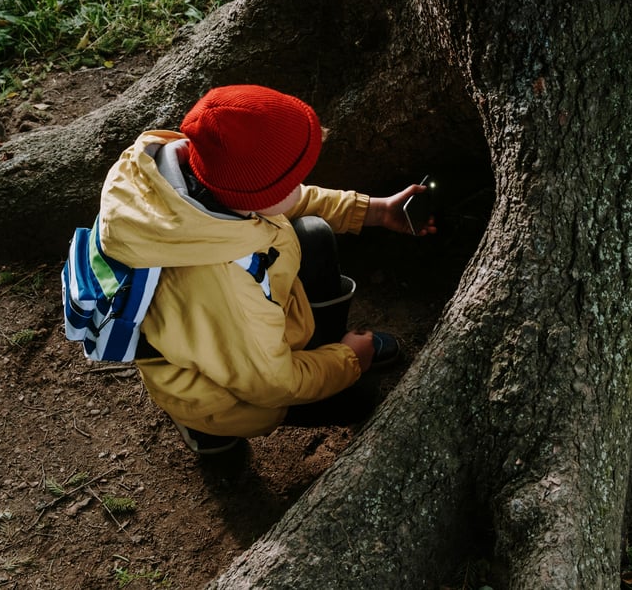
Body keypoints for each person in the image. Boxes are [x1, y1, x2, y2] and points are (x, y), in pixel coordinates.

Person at [96, 84, 435, 455]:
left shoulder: (191, 174)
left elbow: (291, 198)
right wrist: (350, 359)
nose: (302, 183)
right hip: (222, 387)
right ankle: (205, 430)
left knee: (314, 233)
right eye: (292, 179)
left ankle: (319, 349)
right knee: (363, 399)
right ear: (258, 198)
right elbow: (273, 385)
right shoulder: (222, 286)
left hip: (237, 336)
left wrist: (374, 211)